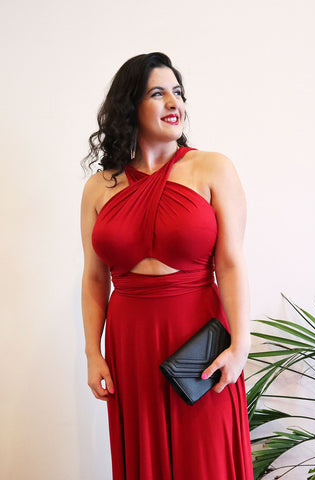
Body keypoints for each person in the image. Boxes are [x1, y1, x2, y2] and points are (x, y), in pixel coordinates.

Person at [80, 52, 253, 480]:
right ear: (129, 107)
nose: (174, 103)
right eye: (158, 93)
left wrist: (241, 345)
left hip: (199, 342)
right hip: (131, 343)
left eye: (177, 92)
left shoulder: (212, 168)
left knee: (207, 459)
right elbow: (94, 277)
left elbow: (230, 264)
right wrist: (92, 353)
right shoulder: (99, 187)